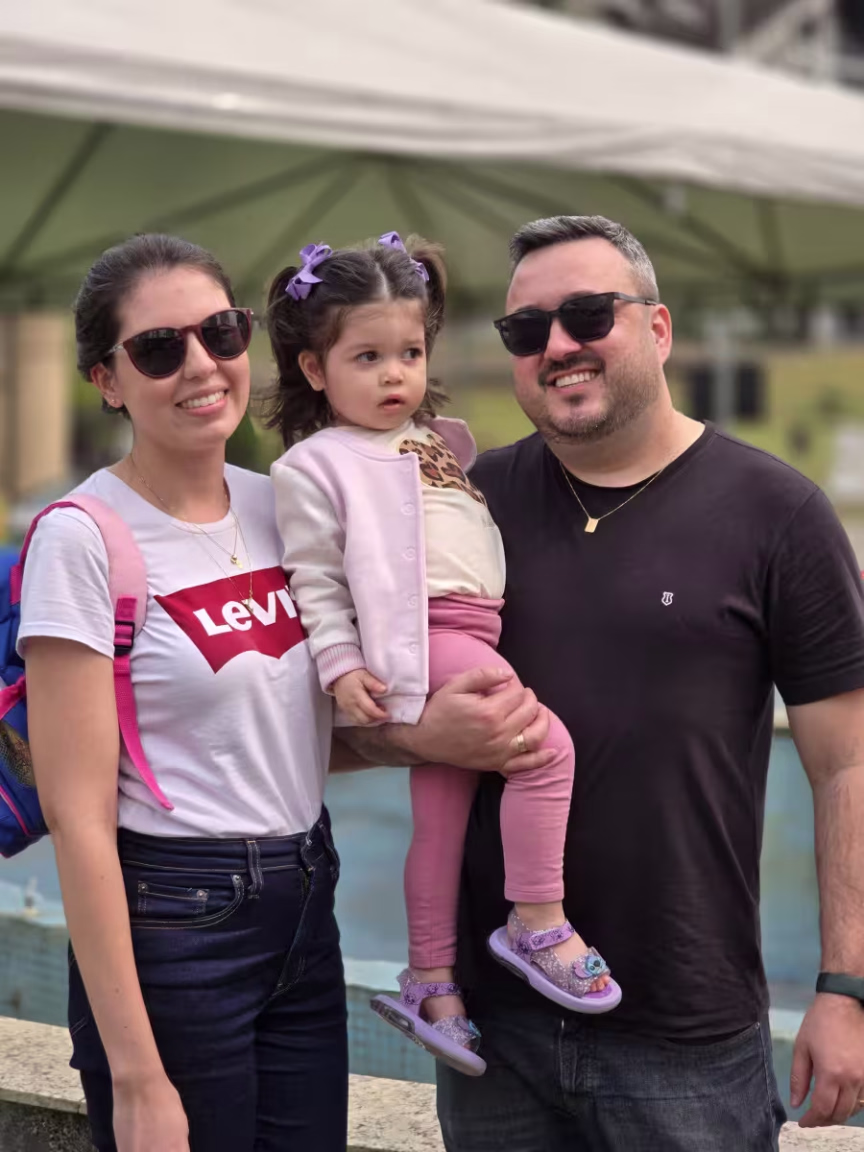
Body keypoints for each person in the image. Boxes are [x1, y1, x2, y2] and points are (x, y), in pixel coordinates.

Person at [19, 233, 549, 1152]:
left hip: (306, 904)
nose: (200, 364)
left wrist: (430, 739)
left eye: (220, 332)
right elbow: (79, 817)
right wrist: (137, 1074)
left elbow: (288, 733)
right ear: (107, 380)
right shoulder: (84, 537)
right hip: (176, 922)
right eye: (159, 348)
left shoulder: (285, 501)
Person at [423, 216, 864, 1150]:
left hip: (686, 1035)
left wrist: (845, 987)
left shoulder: (778, 512)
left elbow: (847, 766)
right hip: (493, 1031)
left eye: (589, 315)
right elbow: (365, 707)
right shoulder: (470, 503)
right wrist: (420, 738)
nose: (557, 346)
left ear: (658, 329)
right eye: (527, 329)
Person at [265, 232, 621, 1077]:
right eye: (368, 357)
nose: (395, 374)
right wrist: (341, 665)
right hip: (425, 638)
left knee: (442, 821)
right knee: (545, 750)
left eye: (411, 353)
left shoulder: (430, 441)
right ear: (315, 369)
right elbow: (315, 579)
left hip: (469, 633)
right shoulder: (315, 464)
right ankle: (537, 921)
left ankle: (431, 983)